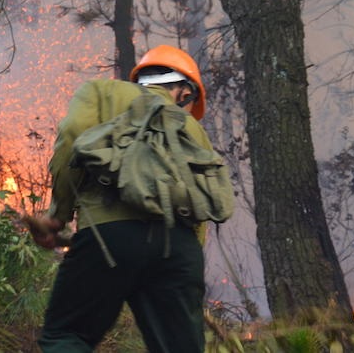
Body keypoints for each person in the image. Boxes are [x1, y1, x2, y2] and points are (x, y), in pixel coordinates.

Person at [26, 45, 229, 353]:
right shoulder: (189, 126)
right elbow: (200, 206)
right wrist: (181, 263)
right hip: (179, 249)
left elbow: (71, 137)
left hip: (110, 237)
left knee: (67, 336)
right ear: (184, 92)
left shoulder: (101, 92)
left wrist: (59, 215)